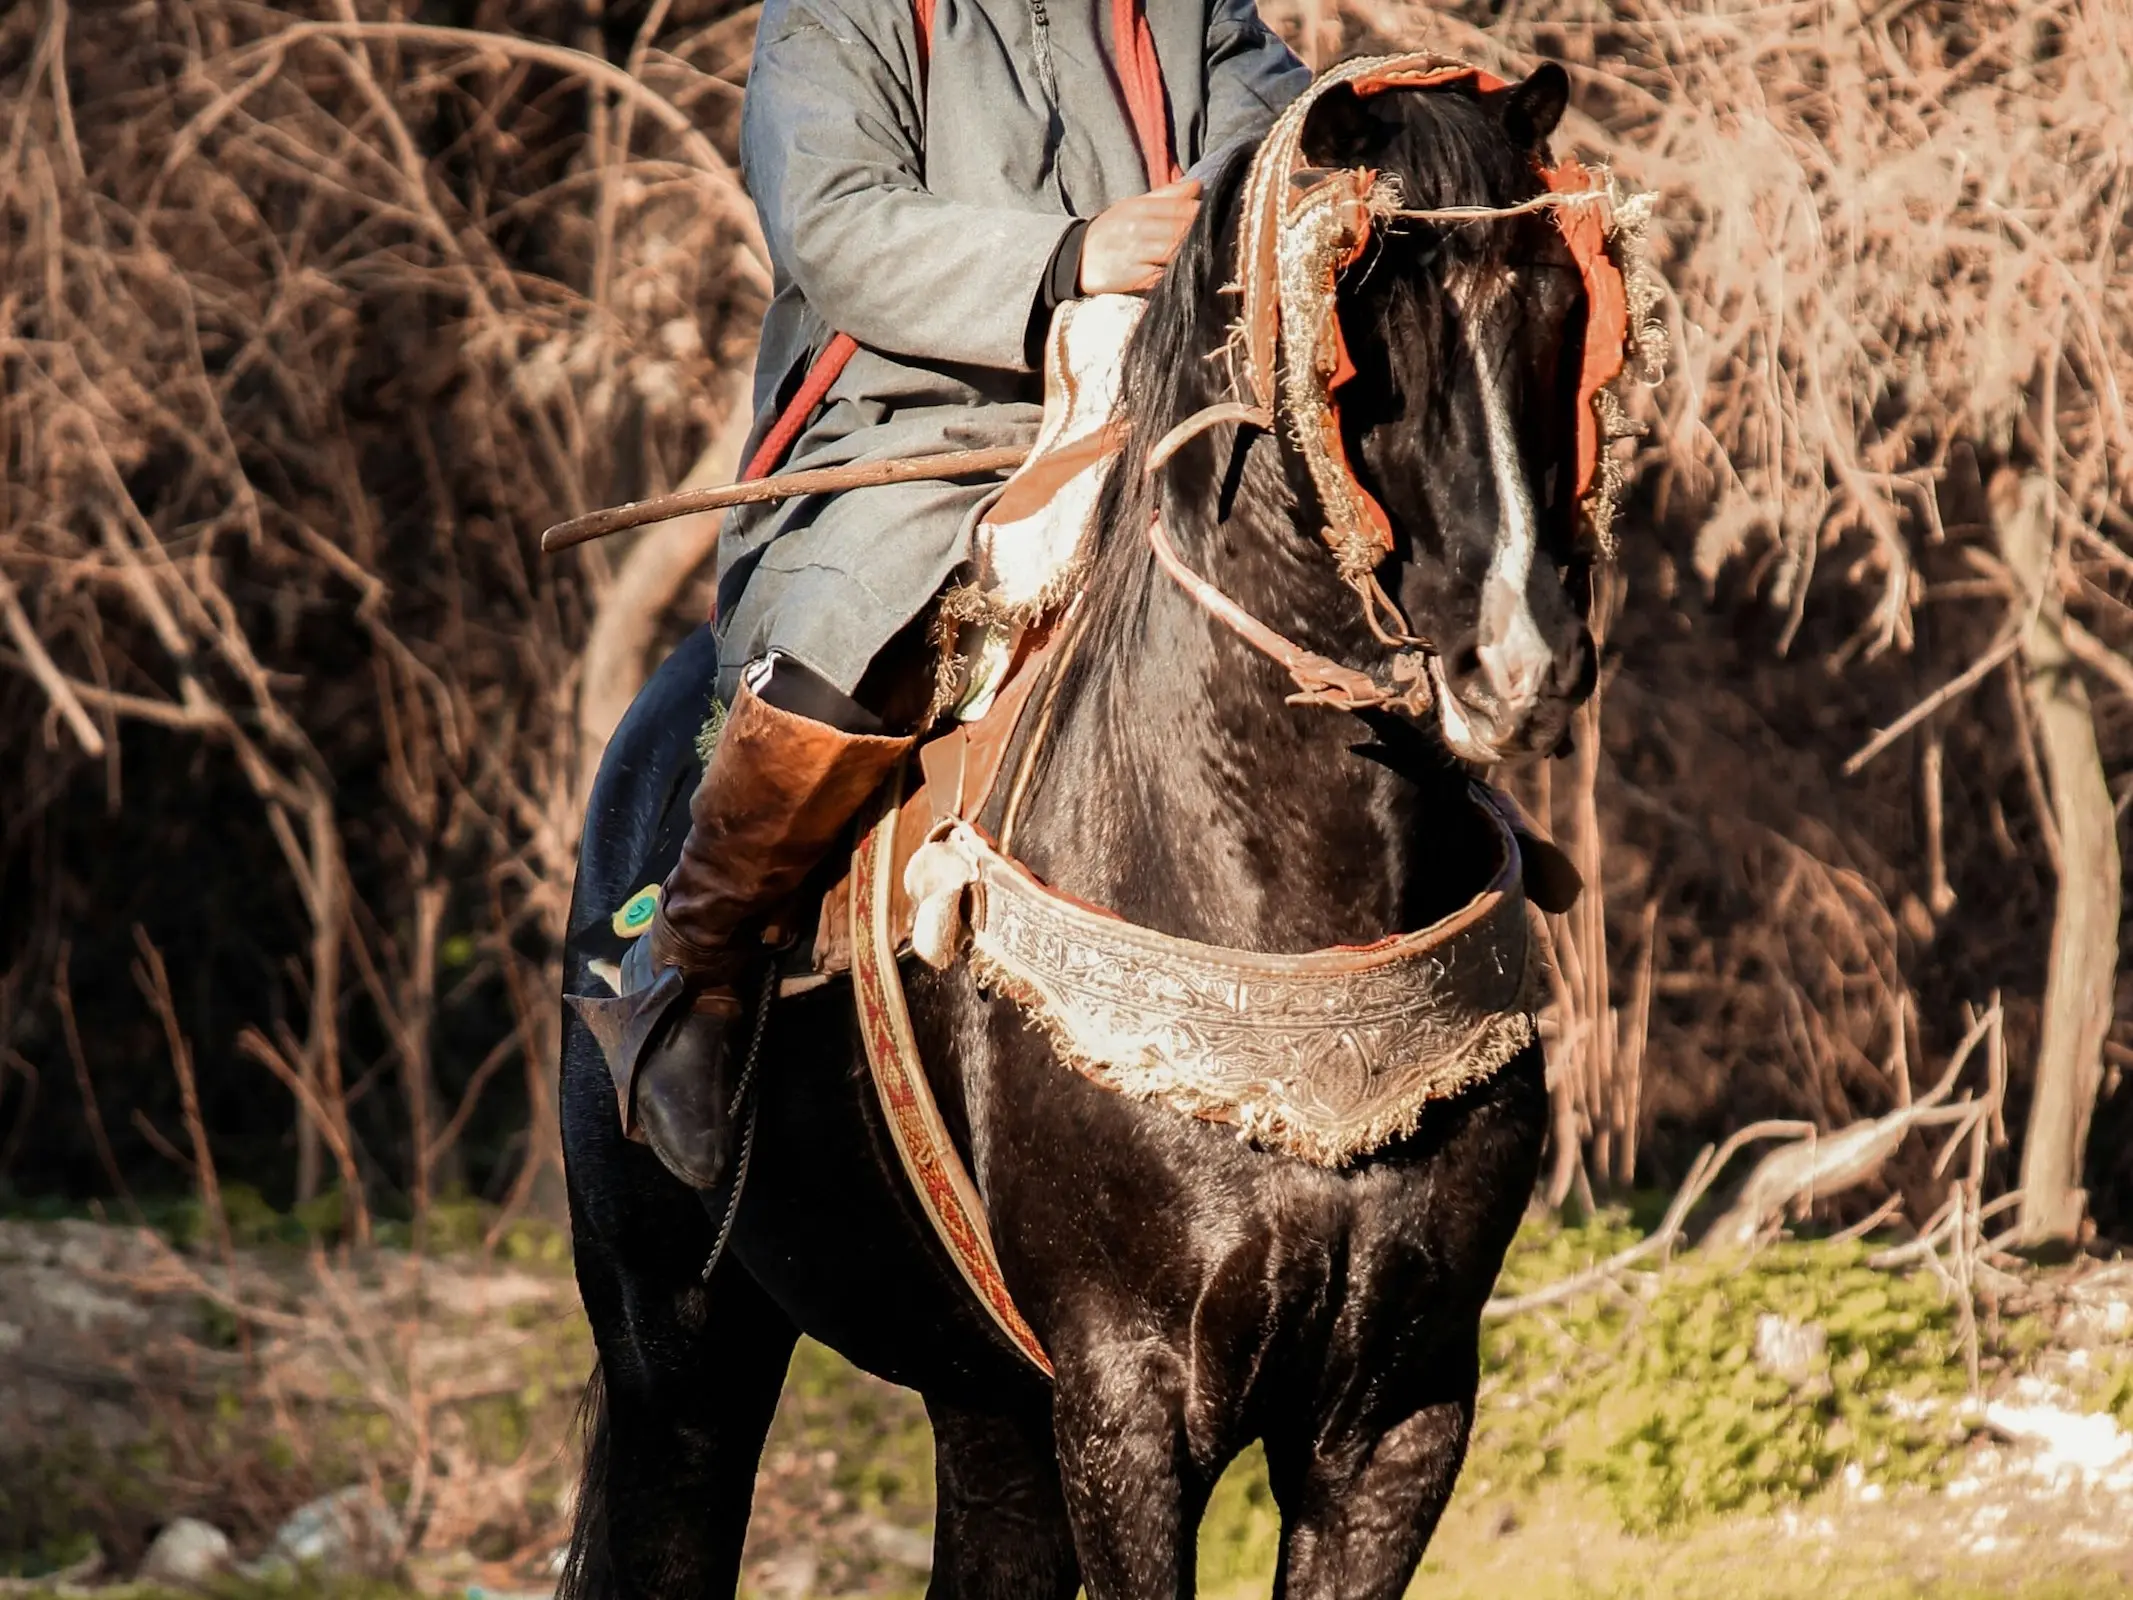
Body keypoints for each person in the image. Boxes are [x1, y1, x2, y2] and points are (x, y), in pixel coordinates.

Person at [578, 0, 1309, 1188]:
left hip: (1164, 406)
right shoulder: (833, 11)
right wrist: (1074, 258)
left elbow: (1280, 139)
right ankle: (691, 970)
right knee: (856, 633)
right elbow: (833, 222)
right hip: (922, 421)